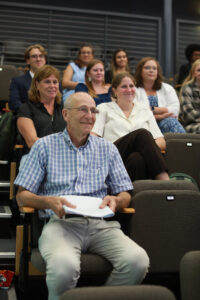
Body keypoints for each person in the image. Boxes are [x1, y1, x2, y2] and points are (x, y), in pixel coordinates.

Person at [14, 92, 149, 300]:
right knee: (63, 268)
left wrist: (117, 200)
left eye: (93, 110)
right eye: (83, 110)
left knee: (137, 261)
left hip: (101, 226)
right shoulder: (44, 147)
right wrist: (47, 201)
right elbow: (22, 196)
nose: (90, 115)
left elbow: (125, 193)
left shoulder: (107, 149)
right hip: (61, 223)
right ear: (66, 115)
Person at [91, 72, 169, 181]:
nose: (129, 90)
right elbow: (93, 136)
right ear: (114, 90)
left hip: (134, 159)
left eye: (131, 86)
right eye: (124, 86)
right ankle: (165, 182)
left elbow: (161, 142)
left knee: (136, 159)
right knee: (142, 134)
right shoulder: (103, 108)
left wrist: (142, 145)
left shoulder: (145, 110)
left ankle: (135, 195)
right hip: (112, 153)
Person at [17, 64, 66, 156]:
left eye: (55, 82)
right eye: (47, 82)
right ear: (37, 85)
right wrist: (59, 151)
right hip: (34, 157)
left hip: (61, 158)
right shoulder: (26, 108)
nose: (52, 86)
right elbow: (32, 142)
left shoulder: (64, 108)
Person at [134, 57, 185, 134]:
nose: (151, 70)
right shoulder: (133, 89)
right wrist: (160, 116)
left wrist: (152, 109)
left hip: (165, 122)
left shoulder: (167, 88)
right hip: (143, 124)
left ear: (158, 72)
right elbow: (135, 112)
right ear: (140, 71)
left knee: (171, 122)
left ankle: (182, 145)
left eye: (154, 68)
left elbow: (174, 110)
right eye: (147, 68)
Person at [9, 44, 47, 112]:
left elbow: (59, 104)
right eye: (34, 56)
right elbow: (14, 104)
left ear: (45, 59)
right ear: (28, 61)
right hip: (26, 118)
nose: (38, 59)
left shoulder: (55, 82)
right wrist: (33, 113)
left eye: (41, 56)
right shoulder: (17, 81)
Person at [179, 58, 200, 133]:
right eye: (199, 70)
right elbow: (188, 113)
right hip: (191, 125)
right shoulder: (187, 88)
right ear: (193, 73)